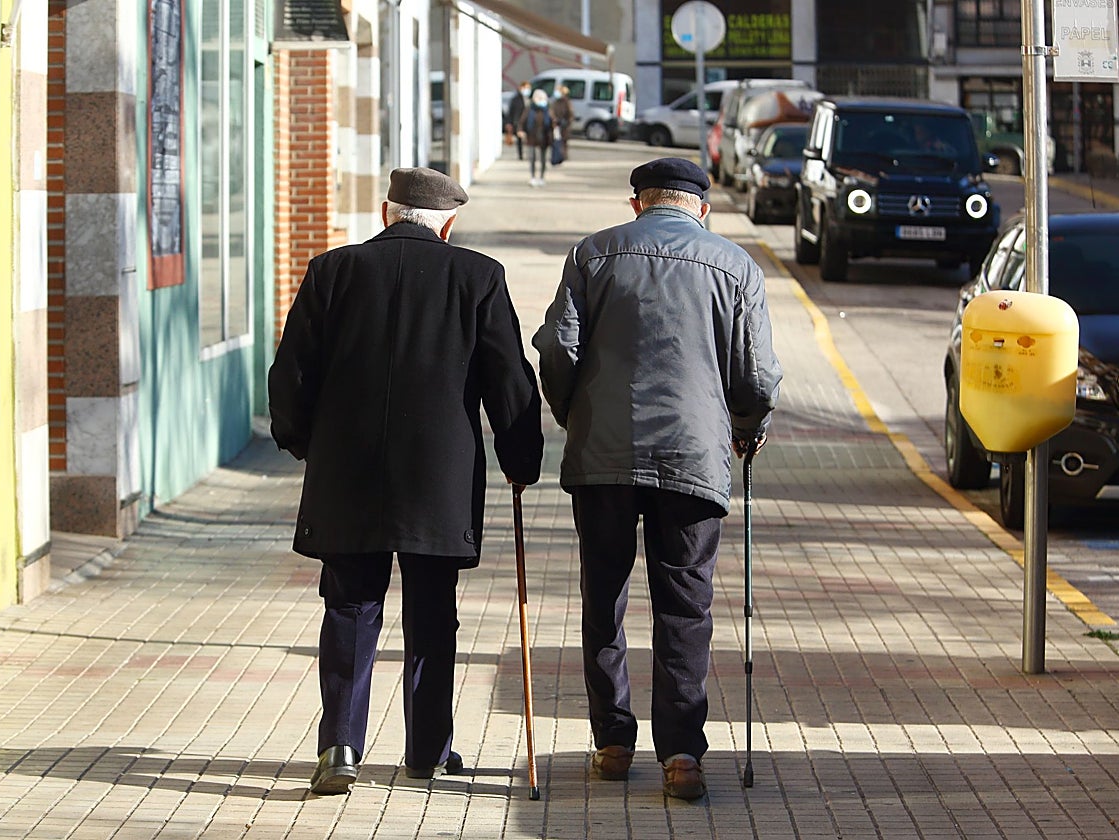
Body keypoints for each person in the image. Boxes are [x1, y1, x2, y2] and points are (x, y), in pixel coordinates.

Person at [269, 167, 544, 796]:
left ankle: (339, 746)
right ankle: (426, 748)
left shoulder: (331, 272)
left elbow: (289, 377)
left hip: (348, 473)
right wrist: (520, 459)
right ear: (447, 225)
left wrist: (307, 444)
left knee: (349, 605)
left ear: (386, 212)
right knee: (431, 611)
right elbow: (510, 380)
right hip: (437, 479)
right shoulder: (478, 277)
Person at [531, 157, 782, 800]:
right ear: (702, 208)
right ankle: (681, 756)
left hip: (603, 458)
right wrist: (746, 429)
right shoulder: (736, 266)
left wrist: (573, 414)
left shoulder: (593, 255)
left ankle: (613, 742)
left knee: (603, 598)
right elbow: (755, 377)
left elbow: (558, 351)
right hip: (695, 459)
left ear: (637, 202)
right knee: (685, 606)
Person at [519, 88, 554, 187]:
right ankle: (533, 177)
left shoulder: (547, 110)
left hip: (544, 138)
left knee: (543, 159)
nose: (540, 100)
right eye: (538, 98)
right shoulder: (529, 110)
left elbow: (552, 123)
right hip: (532, 137)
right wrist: (521, 130)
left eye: (542, 98)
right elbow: (522, 121)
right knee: (532, 158)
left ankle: (542, 177)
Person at [506, 82, 531, 161]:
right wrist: (509, 122)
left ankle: (529, 154)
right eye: (525, 88)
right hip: (518, 122)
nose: (527, 90)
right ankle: (520, 155)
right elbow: (511, 111)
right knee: (519, 139)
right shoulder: (516, 99)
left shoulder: (529, 99)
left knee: (529, 138)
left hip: (528, 121)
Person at [551, 85, 575, 162]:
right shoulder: (555, 102)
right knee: (557, 140)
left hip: (564, 125)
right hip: (556, 124)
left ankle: (563, 155)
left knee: (564, 141)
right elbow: (552, 111)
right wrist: (554, 119)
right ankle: (558, 155)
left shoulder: (566, 102)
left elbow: (570, 114)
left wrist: (567, 122)